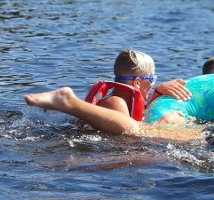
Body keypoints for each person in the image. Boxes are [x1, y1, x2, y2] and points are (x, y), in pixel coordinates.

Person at [24, 49, 202, 140]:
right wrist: (162, 125)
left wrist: (157, 92)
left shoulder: (118, 100)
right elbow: (129, 141)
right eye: (153, 79)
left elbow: (140, 118)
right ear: (138, 82)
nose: (155, 82)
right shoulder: (116, 104)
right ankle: (70, 102)